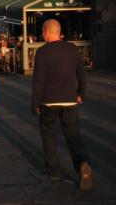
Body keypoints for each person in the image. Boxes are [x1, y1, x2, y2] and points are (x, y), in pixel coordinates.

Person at [31, 19, 92, 191]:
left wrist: (35, 102)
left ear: (47, 32)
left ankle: (53, 169)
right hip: (70, 99)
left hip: (49, 101)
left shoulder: (42, 52)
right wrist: (81, 93)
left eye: (42, 32)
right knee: (73, 135)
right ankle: (83, 164)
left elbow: (38, 81)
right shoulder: (72, 49)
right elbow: (82, 74)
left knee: (48, 134)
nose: (42, 35)